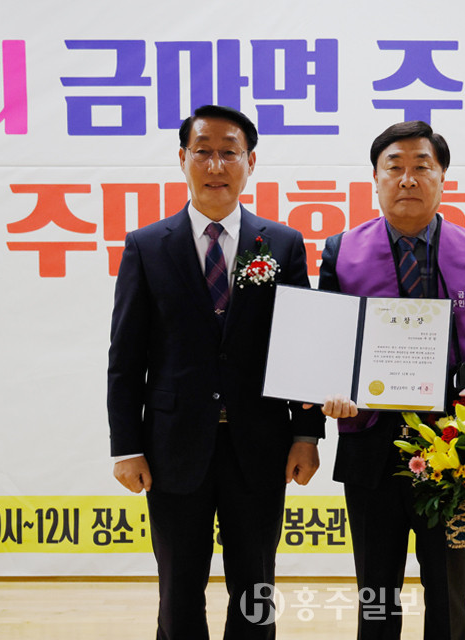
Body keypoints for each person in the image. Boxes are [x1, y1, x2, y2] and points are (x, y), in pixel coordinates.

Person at [107, 104, 325, 640]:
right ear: (182, 158)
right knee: (179, 585)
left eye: (230, 152)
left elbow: (303, 348)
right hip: (173, 445)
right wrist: (125, 447)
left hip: (261, 443)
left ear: (250, 162)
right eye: (203, 151)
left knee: (255, 585)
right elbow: (126, 357)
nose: (215, 164)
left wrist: (305, 434)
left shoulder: (282, 243)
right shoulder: (146, 246)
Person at [319, 120, 465, 640]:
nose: (408, 179)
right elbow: (326, 342)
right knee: (375, 592)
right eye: (394, 167)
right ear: (375, 178)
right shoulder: (341, 251)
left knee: (447, 590)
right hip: (370, 443)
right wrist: (331, 387)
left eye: (421, 167)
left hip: (457, 448)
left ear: (442, 177)